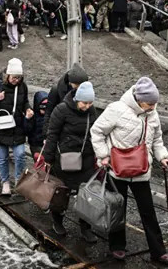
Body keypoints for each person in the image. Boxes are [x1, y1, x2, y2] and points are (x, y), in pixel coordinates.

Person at [90, 77, 168, 264]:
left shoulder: (153, 114)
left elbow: (157, 141)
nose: (152, 106)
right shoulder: (116, 109)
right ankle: (117, 247)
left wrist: (163, 157)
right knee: (118, 209)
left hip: (142, 170)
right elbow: (97, 132)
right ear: (138, 99)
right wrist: (103, 156)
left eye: (154, 103)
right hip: (117, 169)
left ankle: (158, 252)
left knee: (148, 212)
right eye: (149, 103)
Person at [42, 82, 98, 242]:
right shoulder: (61, 110)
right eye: (84, 103)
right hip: (63, 160)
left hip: (85, 160)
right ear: (77, 99)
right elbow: (52, 134)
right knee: (60, 194)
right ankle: (58, 222)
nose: (87, 106)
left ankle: (86, 228)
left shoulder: (91, 111)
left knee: (86, 196)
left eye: (90, 103)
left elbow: (96, 132)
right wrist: (48, 158)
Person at [0, 58, 33, 195]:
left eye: (19, 77)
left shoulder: (22, 86)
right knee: (2, 157)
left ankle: (19, 180)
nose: (16, 80)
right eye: (14, 77)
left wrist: (28, 109)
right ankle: (5, 183)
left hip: (16, 126)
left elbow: (25, 101)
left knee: (20, 154)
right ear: (8, 75)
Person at [44, 63, 89, 134]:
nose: (80, 87)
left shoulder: (83, 90)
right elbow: (48, 113)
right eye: (78, 85)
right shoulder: (56, 90)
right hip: (61, 129)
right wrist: (46, 135)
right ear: (71, 82)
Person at [25, 90, 48, 157]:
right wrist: (27, 119)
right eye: (43, 108)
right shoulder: (32, 116)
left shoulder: (51, 115)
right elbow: (27, 130)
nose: (44, 111)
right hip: (35, 144)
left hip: (46, 143)